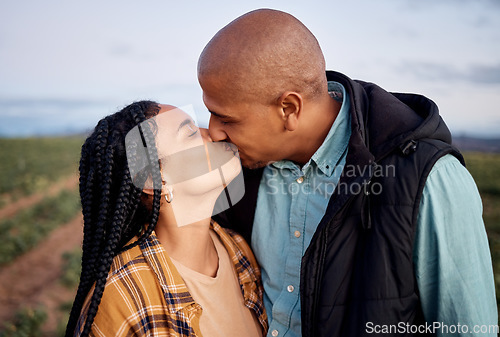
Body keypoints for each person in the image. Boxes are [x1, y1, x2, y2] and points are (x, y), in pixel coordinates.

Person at [198, 8, 498, 337]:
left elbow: (469, 329)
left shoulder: (428, 179)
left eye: (225, 118)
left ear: (289, 109)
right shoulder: (238, 165)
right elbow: (145, 198)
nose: (213, 131)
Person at [65, 101, 268, 337]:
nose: (212, 134)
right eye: (191, 132)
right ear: (153, 179)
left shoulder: (237, 248)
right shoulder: (121, 298)